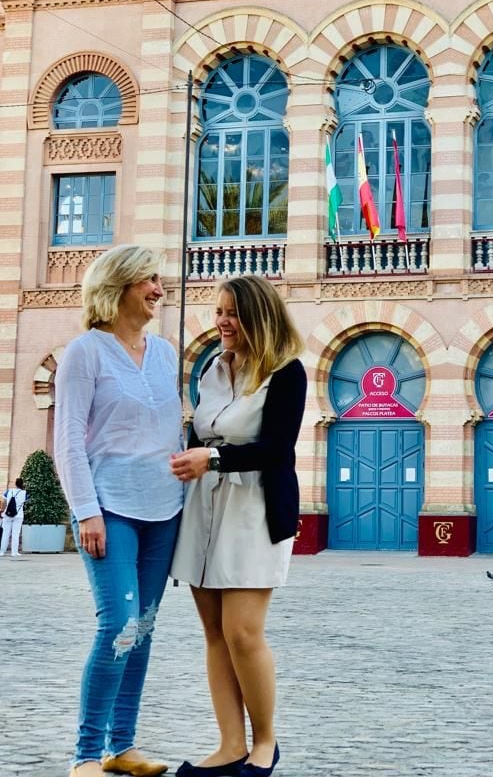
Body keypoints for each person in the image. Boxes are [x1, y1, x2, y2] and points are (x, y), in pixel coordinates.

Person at [54, 245, 184, 777]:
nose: (158, 289)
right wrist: (86, 511)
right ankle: (86, 753)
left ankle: (121, 747)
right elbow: (67, 440)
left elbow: (172, 431)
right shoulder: (85, 352)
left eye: (159, 280)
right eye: (147, 280)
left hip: (164, 510)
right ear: (119, 286)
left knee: (144, 627)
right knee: (118, 624)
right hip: (110, 508)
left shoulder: (166, 353)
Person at [170, 276, 306, 777]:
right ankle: (230, 744)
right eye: (219, 311)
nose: (222, 321)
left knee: (243, 632)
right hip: (203, 510)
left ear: (258, 316)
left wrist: (214, 459)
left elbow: (276, 449)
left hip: (253, 511)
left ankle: (265, 743)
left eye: (233, 312)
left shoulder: (286, 372)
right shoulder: (211, 368)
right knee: (213, 633)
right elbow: (200, 430)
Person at [0, 478, 28, 557]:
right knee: (16, 534)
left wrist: (3, 512)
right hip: (18, 515)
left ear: (15, 484)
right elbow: (25, 501)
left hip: (7, 515)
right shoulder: (25, 493)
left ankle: (2, 551)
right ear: (22, 484)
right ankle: (14, 552)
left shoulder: (9, 491)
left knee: (5, 533)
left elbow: (4, 501)